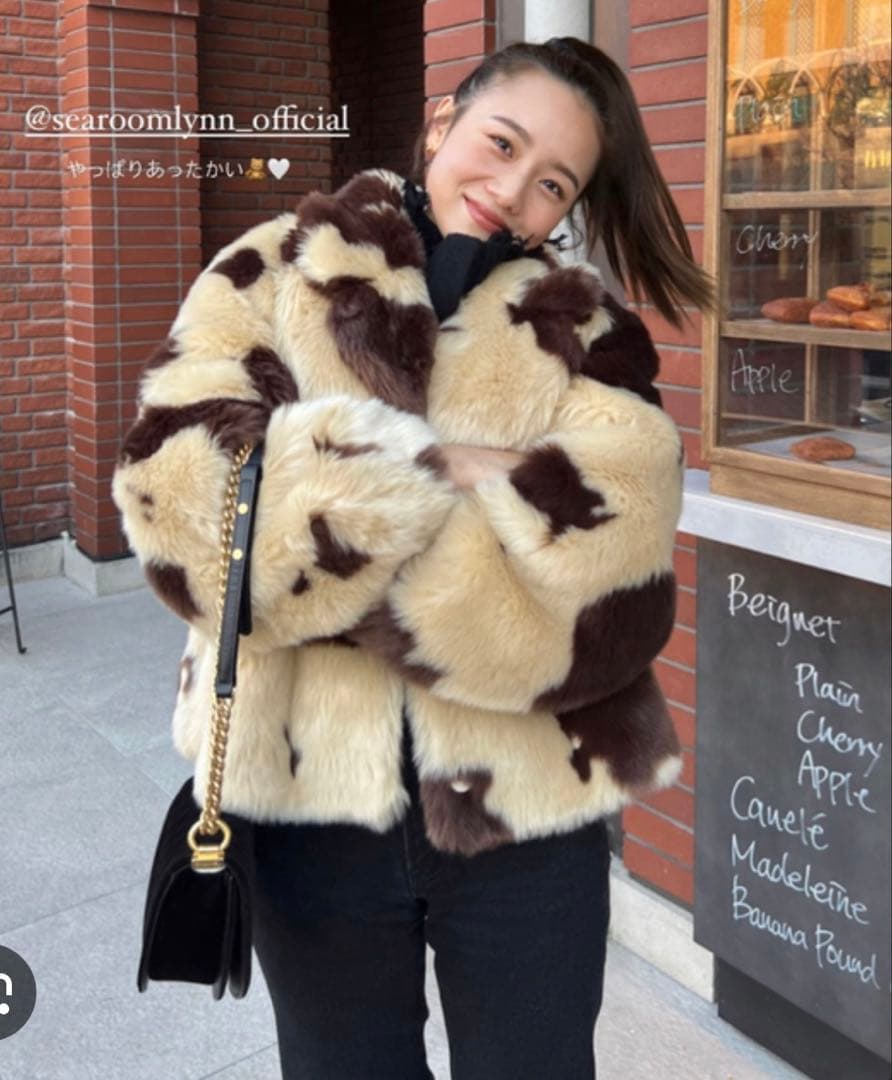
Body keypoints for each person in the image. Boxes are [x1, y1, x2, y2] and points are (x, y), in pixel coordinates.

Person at [113, 36, 713, 1080]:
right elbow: (181, 516)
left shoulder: (584, 328)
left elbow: (607, 598)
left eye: (552, 183)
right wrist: (448, 472)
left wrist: (325, 523)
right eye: (502, 143)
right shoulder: (271, 269)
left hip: (527, 815)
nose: (512, 191)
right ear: (442, 122)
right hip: (307, 808)